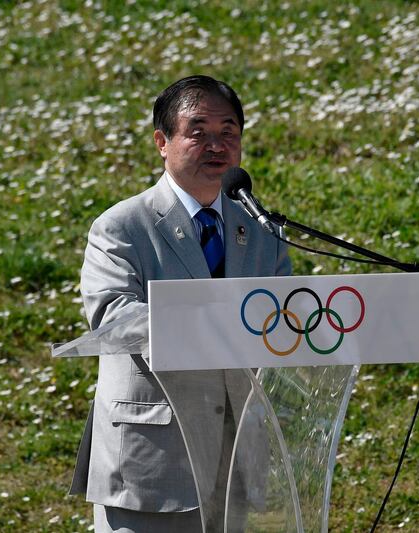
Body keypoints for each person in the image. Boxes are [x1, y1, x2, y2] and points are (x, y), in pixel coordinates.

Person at [70, 75, 291, 532]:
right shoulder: (122, 226)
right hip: (152, 457)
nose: (216, 144)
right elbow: (113, 317)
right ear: (162, 142)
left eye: (228, 132)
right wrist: (218, 322)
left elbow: (283, 319)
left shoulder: (262, 229)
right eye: (198, 131)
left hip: (233, 456)